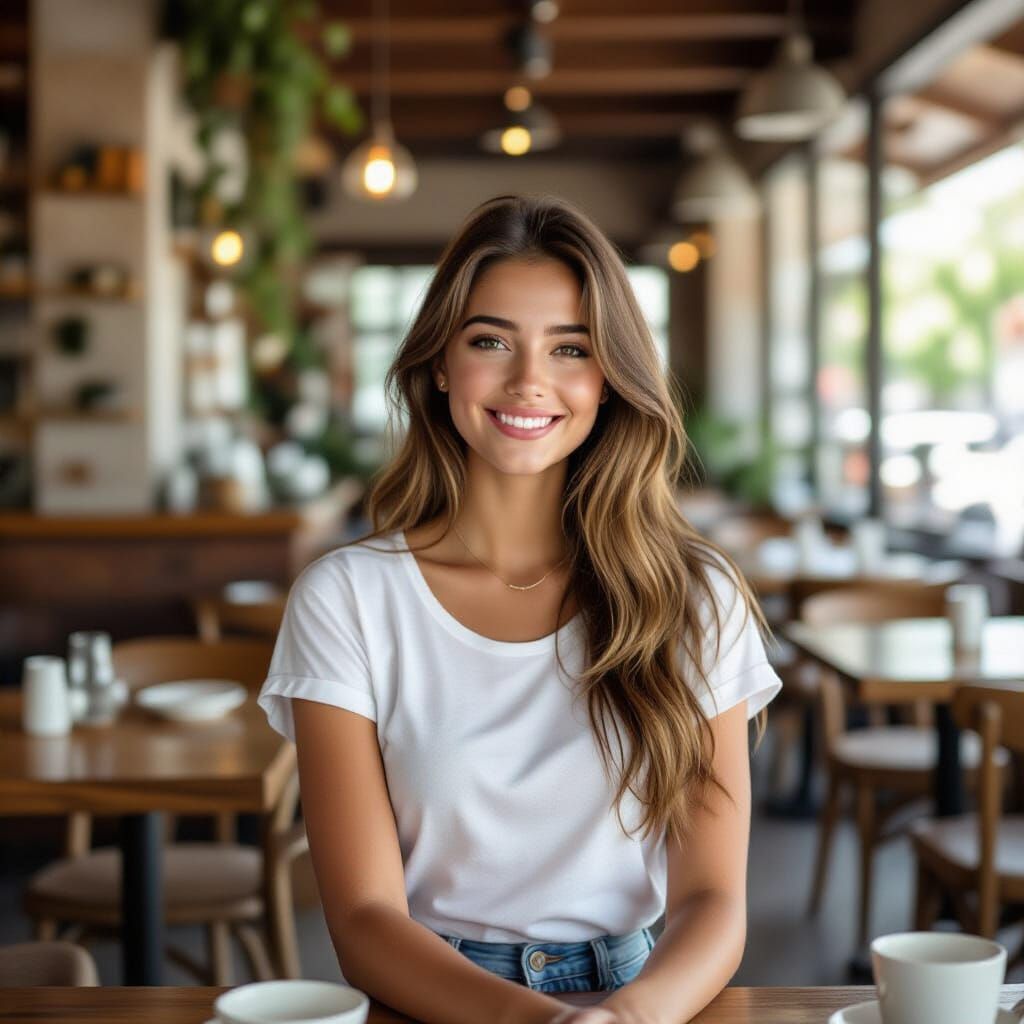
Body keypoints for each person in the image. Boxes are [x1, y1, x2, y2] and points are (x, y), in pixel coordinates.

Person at [258, 194, 782, 1024]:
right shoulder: (348, 599)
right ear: (440, 363)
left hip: (647, 998)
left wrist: (623, 1018)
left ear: (608, 380)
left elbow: (712, 899)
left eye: (570, 348)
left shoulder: (693, 596)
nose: (529, 380)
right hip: (431, 999)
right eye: (491, 340)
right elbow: (363, 920)